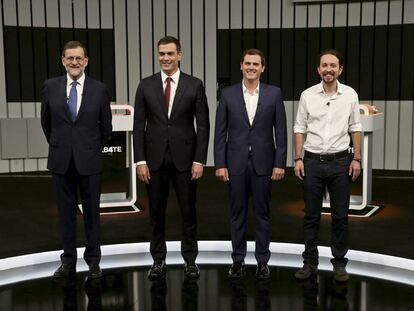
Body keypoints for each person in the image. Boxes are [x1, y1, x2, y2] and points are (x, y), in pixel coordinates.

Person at [133, 36, 210, 280]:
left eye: (170, 53)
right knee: (156, 213)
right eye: (161, 54)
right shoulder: (145, 85)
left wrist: (200, 160)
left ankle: (190, 261)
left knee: (189, 212)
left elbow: (204, 125)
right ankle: (158, 261)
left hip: (186, 161)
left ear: (180, 55)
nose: (165, 58)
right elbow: (138, 126)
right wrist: (140, 161)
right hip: (153, 161)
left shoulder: (195, 85)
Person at [41, 41, 112, 279]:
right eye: (69, 58)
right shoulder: (50, 87)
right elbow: (46, 122)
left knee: (92, 214)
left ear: (86, 61)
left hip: (89, 161)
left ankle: (93, 262)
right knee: (66, 214)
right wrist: (62, 145)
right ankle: (68, 261)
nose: (74, 62)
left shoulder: (99, 89)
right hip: (61, 160)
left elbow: (106, 127)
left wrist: (90, 148)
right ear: (63, 60)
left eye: (78, 58)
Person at [214, 49, 287, 279]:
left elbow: (281, 132)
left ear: (263, 68)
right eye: (248, 63)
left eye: (256, 64)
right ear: (241, 66)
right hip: (235, 164)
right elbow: (220, 132)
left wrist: (280, 164)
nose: (251, 67)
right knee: (237, 214)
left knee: (263, 214)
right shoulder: (227, 94)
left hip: (264, 164)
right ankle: (238, 261)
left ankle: (263, 262)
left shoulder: (274, 94)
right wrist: (219, 164)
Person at [293, 49, 362, 282]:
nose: (328, 69)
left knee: (340, 216)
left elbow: (356, 128)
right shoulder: (307, 95)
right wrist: (298, 158)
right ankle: (309, 262)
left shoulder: (350, 95)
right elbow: (299, 128)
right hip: (311, 162)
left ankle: (339, 264)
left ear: (340, 69)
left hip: (341, 162)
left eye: (333, 65)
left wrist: (357, 159)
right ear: (318, 69)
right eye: (324, 65)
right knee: (311, 217)